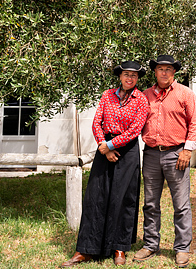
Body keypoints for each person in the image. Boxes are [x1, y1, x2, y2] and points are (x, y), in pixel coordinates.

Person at [61, 61, 149, 267]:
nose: (130, 78)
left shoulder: (141, 100)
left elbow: (135, 129)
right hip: (104, 149)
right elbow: (96, 122)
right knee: (96, 196)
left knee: (123, 198)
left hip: (127, 152)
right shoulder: (107, 95)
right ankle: (86, 249)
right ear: (120, 76)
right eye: (126, 74)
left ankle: (119, 247)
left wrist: (110, 145)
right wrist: (103, 146)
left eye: (134, 76)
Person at [134, 55, 196, 268]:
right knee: (150, 203)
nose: (164, 72)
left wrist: (187, 150)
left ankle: (182, 248)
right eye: (160, 69)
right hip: (152, 154)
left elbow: (195, 123)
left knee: (181, 204)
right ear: (155, 72)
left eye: (168, 69)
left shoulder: (185, 94)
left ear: (174, 72)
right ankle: (150, 244)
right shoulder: (145, 96)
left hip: (177, 154)